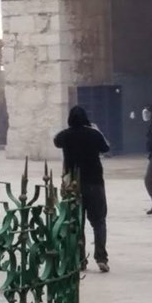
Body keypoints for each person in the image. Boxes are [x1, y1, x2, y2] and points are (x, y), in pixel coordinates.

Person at [53, 106, 111, 273]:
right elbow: (106, 148)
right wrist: (94, 130)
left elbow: (56, 141)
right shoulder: (94, 134)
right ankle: (101, 257)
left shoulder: (65, 135)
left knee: (76, 223)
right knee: (99, 222)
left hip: (73, 184)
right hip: (94, 182)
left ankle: (80, 259)